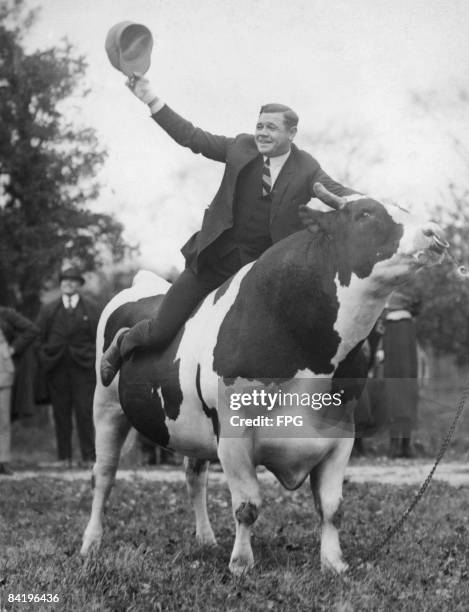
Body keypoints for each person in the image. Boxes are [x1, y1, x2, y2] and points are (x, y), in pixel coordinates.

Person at [101, 76, 361, 385]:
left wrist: (380, 207)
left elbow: (340, 191)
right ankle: (123, 341)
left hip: (260, 275)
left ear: (292, 133)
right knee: (159, 332)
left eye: (272, 128)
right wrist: (151, 100)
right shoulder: (241, 147)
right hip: (213, 262)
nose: (262, 133)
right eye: (260, 126)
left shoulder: (306, 167)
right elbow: (191, 137)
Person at [36, 268, 99, 467]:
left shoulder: (91, 308)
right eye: (65, 280)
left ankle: (88, 458)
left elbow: (100, 337)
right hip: (57, 368)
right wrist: (46, 357)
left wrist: (91, 358)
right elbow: (38, 337)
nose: (68, 284)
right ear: (61, 284)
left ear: (79, 284)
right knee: (60, 413)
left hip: (84, 369)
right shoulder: (49, 309)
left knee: (84, 412)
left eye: (73, 281)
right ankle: (64, 458)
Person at [382, 286, 422, 458]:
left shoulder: (397, 325)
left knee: (399, 397)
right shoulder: (402, 324)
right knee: (402, 397)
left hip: (398, 369)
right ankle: (401, 445)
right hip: (403, 370)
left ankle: (401, 445)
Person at [0, 305, 39, 475]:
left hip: (2, 371)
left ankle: (2, 461)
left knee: (2, 420)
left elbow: (32, 329)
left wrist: (11, 349)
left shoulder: (5, 314)